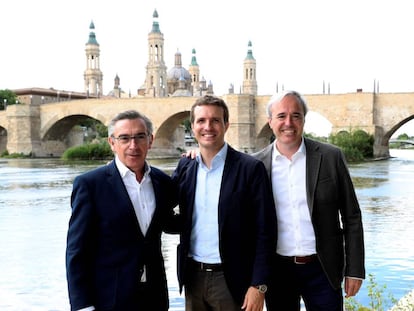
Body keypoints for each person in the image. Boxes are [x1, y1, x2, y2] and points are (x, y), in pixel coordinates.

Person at [253, 90, 365, 311]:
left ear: (304, 120)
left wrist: (354, 269)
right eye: (281, 116)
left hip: (323, 269)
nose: (289, 122)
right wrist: (196, 156)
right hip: (277, 271)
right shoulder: (255, 165)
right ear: (270, 122)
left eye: (296, 115)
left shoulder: (331, 157)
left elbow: (352, 217)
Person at [65, 110, 180, 311]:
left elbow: (171, 223)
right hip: (109, 299)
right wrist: (82, 305)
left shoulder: (162, 182)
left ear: (150, 140)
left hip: (155, 298)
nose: (133, 146)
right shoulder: (90, 185)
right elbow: (77, 251)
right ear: (112, 143)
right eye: (125, 138)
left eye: (139, 137)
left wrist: (195, 159)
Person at [172, 95, 277, 311]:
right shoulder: (185, 167)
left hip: (233, 280)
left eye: (215, 120)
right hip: (193, 278)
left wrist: (259, 285)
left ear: (226, 125)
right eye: (201, 121)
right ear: (193, 126)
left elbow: (265, 230)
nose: (208, 126)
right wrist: (122, 169)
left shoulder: (250, 169)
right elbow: (161, 203)